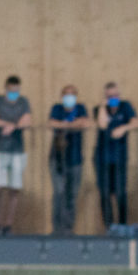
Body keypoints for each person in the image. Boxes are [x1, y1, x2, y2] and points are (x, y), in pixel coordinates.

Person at [0, 75, 32, 235]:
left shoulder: (23, 102)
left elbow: (27, 121)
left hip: (17, 151)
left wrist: (11, 127)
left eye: (16, 91)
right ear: (6, 89)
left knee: (14, 188)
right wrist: (12, 124)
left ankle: (8, 224)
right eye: (11, 91)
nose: (14, 94)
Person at [94, 82, 138, 232]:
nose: (113, 98)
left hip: (119, 158)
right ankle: (109, 227)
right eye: (110, 96)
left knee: (120, 193)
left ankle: (122, 226)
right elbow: (102, 125)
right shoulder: (99, 109)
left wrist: (123, 128)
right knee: (105, 194)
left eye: (116, 95)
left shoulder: (125, 106)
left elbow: (135, 122)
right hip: (102, 159)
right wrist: (103, 106)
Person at [47, 84, 91, 236]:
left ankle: (68, 228)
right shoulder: (57, 108)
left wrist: (64, 125)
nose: (69, 97)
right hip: (57, 158)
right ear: (62, 96)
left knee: (71, 195)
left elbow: (85, 123)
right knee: (59, 192)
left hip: (75, 159)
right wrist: (73, 125)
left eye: (72, 94)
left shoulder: (81, 108)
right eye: (66, 94)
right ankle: (57, 228)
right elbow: (51, 123)